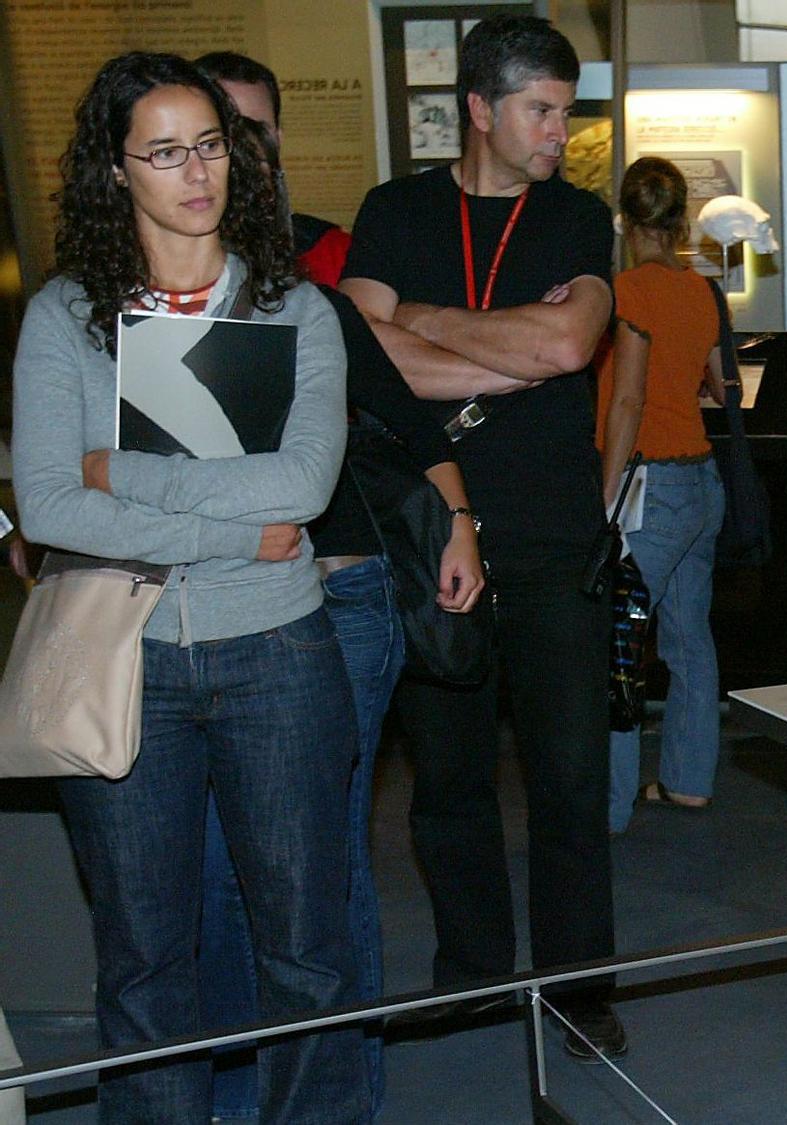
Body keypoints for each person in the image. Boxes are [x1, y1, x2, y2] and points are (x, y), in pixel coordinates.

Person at [12, 52, 363, 1121]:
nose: (195, 171)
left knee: (306, 951)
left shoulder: (292, 310)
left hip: (279, 655)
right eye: (163, 151)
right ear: (116, 171)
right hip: (128, 661)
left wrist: (118, 470)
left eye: (209, 144)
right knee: (145, 960)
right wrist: (230, 524)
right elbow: (48, 509)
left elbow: (300, 489)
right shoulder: (67, 319)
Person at [191, 53, 485, 1121]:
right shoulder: (132, 297)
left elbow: (404, 416)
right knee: (221, 868)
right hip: (203, 609)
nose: (245, 152)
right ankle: (233, 1094)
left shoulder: (305, 290)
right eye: (224, 129)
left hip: (342, 596)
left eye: (262, 131)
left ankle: (331, 1102)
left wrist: (458, 525)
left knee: (319, 868)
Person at [339, 15, 625, 1060]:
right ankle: (470, 976)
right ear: (478, 109)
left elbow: (569, 340)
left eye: (566, 108)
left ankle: (578, 990)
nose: (560, 128)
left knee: (566, 779)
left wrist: (420, 321)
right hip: (429, 539)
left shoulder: (576, 216)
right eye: (541, 110)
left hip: (553, 541)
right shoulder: (397, 209)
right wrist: (509, 351)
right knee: (447, 783)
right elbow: (358, 358)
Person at [597, 157, 728, 831]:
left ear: (625, 220)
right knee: (688, 638)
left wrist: (605, 491)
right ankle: (688, 781)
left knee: (615, 645)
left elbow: (627, 398)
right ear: (680, 221)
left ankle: (610, 806)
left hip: (653, 484)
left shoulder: (628, 290)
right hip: (703, 481)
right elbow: (717, 385)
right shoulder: (701, 290)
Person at [191, 52, 351, 285]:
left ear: (276, 139)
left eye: (256, 130)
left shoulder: (330, 252)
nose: (244, 146)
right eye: (221, 131)